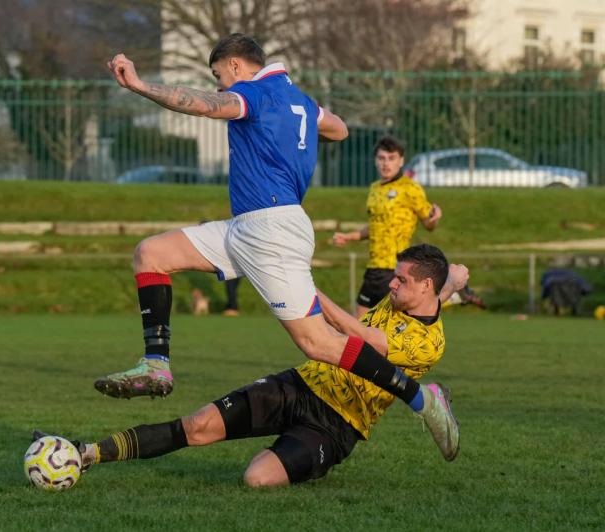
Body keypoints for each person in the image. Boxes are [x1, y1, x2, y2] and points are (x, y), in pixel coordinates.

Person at [97, 35, 454, 457]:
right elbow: (340, 129)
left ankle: (422, 399)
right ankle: (157, 364)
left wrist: (140, 86)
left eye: (218, 75)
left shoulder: (255, 93)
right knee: (151, 253)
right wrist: (293, 130)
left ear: (235, 66)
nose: (218, 86)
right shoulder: (299, 100)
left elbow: (202, 105)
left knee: (318, 344)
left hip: (272, 231)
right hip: (245, 226)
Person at [50, 245, 466, 485]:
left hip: (338, 425)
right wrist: (455, 279)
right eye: (394, 276)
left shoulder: (429, 344)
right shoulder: (413, 295)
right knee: (197, 426)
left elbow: (359, 335)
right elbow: (444, 286)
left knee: (257, 479)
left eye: (401, 280)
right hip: (299, 385)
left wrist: (304, 290)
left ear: (425, 286)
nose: (391, 284)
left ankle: (422, 401)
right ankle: (90, 453)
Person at [332, 136, 443, 317]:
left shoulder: (410, 188)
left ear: (401, 161)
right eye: (381, 158)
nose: (386, 163)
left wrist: (434, 219)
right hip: (374, 268)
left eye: (391, 158)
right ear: (375, 160)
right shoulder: (374, 188)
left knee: (389, 325)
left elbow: (428, 224)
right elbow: (376, 225)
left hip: (396, 268)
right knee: (359, 324)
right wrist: (349, 236)